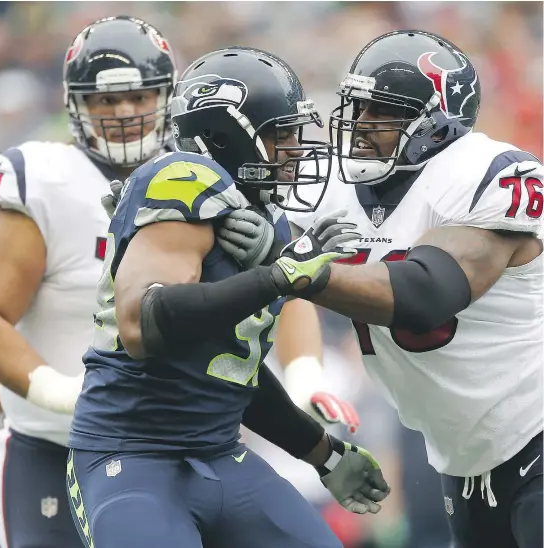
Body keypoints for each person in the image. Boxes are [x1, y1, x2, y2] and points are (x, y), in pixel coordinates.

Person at [217, 30, 543, 548]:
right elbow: (247, 269)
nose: (360, 126)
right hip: (463, 457)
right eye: (357, 108)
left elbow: (425, 294)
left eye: (381, 113)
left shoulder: (482, 173)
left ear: (435, 125)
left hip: (533, 431)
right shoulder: (333, 188)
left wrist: (296, 266)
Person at [67, 46, 390, 548]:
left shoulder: (266, 221)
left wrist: (323, 453)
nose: (296, 148)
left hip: (219, 454)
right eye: (279, 134)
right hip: (130, 457)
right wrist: (275, 277)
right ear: (225, 135)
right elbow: (142, 325)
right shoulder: (182, 181)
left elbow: (231, 371)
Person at [0, 15, 178, 548]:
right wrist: (62, 393)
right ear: (76, 104)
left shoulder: (199, 178)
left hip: (174, 445)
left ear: (166, 95)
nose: (124, 112)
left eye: (138, 96)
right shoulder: (44, 179)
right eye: (105, 100)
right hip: (52, 445)